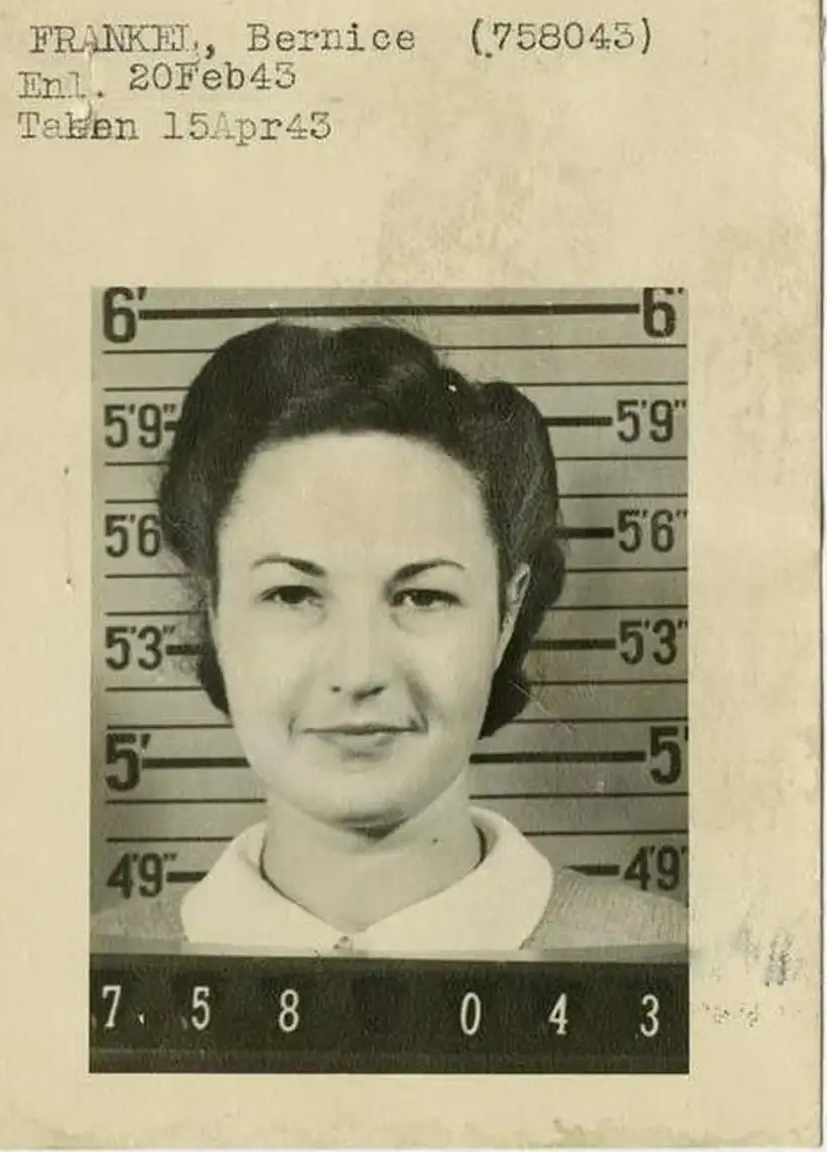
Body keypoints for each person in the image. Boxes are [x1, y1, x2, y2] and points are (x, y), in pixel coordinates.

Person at [92, 320, 686, 957]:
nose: (359, 669)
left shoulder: (674, 959)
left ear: (507, 612)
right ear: (213, 609)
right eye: (292, 595)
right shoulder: (85, 975)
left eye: (423, 596)